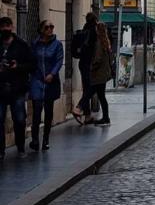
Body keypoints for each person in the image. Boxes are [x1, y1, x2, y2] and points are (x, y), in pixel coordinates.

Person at [0, 16, 33, 158]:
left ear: (12, 27)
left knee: (19, 119)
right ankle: (1, 151)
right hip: (0, 89)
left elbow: (31, 65)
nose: (5, 29)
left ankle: (20, 148)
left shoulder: (21, 44)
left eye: (8, 26)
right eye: (2, 26)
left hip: (17, 89)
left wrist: (17, 66)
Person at [29, 20, 64, 151]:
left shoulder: (57, 44)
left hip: (51, 82)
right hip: (37, 80)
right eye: (47, 27)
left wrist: (52, 74)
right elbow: (32, 60)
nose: (50, 29)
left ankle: (46, 140)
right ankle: (35, 140)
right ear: (41, 30)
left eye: (52, 27)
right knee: (37, 111)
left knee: (48, 112)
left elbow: (59, 60)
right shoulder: (35, 44)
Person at [72, 12, 98, 124]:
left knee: (86, 88)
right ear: (95, 20)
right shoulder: (94, 32)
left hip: (82, 63)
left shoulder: (82, 31)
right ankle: (79, 107)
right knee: (92, 88)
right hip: (90, 64)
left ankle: (87, 116)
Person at [90, 22, 113, 126]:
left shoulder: (99, 42)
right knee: (102, 96)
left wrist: (92, 67)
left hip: (99, 73)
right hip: (104, 73)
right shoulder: (106, 42)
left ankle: (105, 117)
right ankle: (105, 117)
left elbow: (98, 58)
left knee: (100, 95)